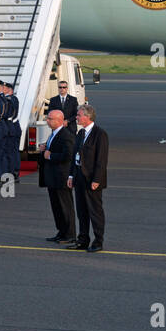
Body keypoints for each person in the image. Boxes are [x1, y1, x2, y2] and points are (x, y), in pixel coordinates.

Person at [67, 104, 108, 252]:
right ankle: (82, 240)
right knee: (82, 211)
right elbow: (74, 156)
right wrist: (71, 175)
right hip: (79, 177)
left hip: (92, 180)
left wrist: (97, 179)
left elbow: (101, 160)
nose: (76, 118)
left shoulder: (100, 134)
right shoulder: (80, 134)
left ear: (87, 117)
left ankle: (98, 241)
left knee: (95, 211)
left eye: (78, 115)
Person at [36, 108, 76, 243]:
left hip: (61, 177)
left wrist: (50, 155)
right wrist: (44, 149)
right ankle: (61, 231)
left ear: (59, 121)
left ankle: (70, 234)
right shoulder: (53, 133)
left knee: (65, 206)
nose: (47, 120)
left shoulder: (66, 135)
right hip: (52, 177)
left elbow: (69, 155)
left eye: (50, 119)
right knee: (56, 207)